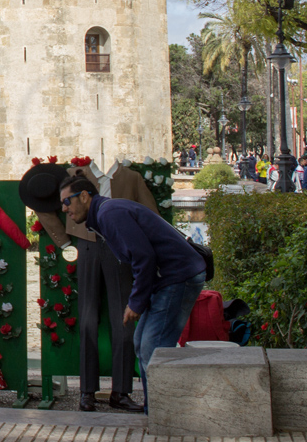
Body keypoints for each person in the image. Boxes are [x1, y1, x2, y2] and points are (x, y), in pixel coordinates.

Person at [59, 176, 205, 413]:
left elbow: (143, 258)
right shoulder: (105, 214)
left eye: (67, 202)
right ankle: (156, 410)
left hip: (179, 278)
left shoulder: (109, 214)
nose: (64, 209)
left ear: (84, 196)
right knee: (141, 343)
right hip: (169, 279)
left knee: (152, 349)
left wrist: (136, 303)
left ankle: (161, 414)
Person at [27, 161, 154, 412]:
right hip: (87, 245)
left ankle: (121, 390)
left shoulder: (131, 177)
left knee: (124, 319)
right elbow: (40, 202)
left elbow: (150, 212)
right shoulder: (76, 178)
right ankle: (87, 391)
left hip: (121, 247)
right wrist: (63, 242)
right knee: (87, 318)